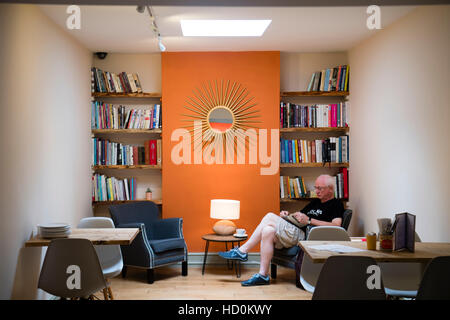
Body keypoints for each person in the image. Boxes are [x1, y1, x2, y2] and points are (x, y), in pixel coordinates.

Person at [218, 174, 344, 286]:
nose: (316, 191)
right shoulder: (315, 202)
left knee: (269, 217)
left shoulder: (336, 204)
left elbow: (336, 226)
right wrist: (287, 215)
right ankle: (263, 275)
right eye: (315, 187)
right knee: (268, 230)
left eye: (320, 188)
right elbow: (299, 215)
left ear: (330, 189)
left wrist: (310, 221)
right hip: (295, 231)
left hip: (306, 238)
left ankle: (242, 251)